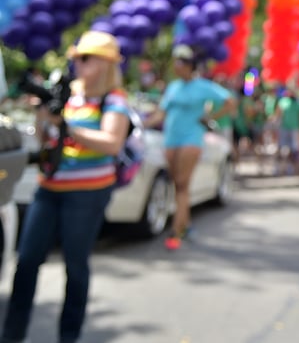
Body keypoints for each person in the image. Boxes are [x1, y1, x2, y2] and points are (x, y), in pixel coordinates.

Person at [2, 31, 131, 343]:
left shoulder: (113, 99)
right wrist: (43, 118)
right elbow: (46, 140)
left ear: (105, 63)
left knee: (75, 265)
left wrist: (66, 126)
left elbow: (112, 143)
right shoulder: (67, 93)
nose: (78, 63)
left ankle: (68, 337)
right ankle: (11, 335)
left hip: (87, 194)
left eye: (85, 57)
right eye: (76, 57)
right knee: (27, 261)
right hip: (50, 187)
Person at [142, 45, 234, 250]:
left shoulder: (203, 86)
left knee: (182, 184)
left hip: (191, 139)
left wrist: (210, 118)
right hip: (170, 140)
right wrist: (141, 124)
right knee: (177, 185)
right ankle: (187, 224)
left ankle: (177, 231)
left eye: (181, 62)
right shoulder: (173, 87)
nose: (176, 65)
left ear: (190, 65)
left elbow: (229, 101)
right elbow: (161, 113)